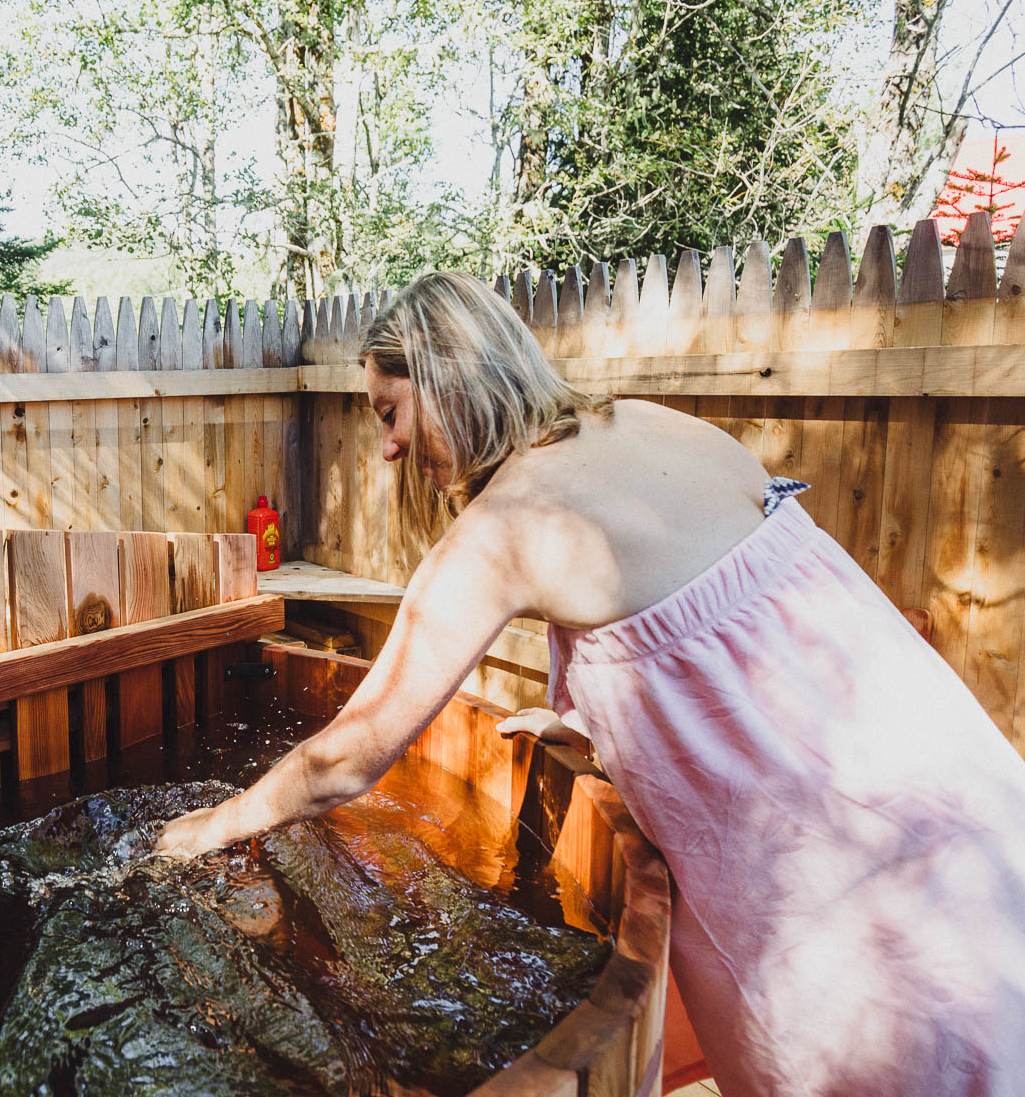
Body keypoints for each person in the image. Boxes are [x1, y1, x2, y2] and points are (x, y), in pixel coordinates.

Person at [156, 271, 1025, 1095]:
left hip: (862, 922)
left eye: (390, 411)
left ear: (449, 377)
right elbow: (728, 625)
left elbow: (344, 764)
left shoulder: (508, 528)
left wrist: (205, 830)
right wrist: (598, 718)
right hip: (973, 820)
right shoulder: (659, 426)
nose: (385, 447)